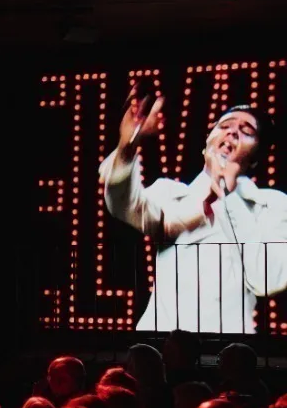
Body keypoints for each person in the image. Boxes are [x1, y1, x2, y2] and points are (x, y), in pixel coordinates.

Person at [100, 95, 287, 332]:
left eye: (246, 131)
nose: (232, 133)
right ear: (207, 141)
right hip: (160, 347)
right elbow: (122, 204)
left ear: (255, 159)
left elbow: (267, 279)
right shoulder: (170, 193)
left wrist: (228, 195)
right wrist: (127, 147)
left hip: (227, 351)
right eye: (225, 126)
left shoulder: (272, 205)